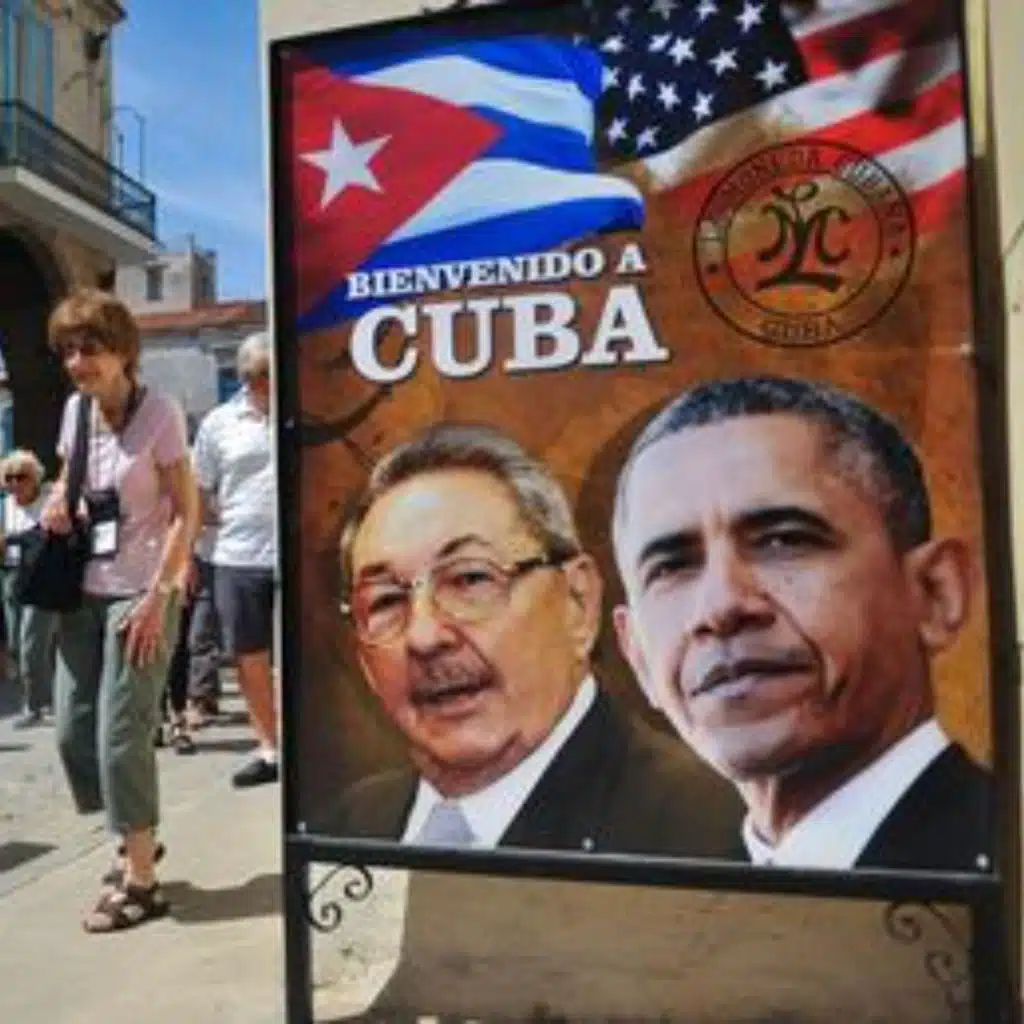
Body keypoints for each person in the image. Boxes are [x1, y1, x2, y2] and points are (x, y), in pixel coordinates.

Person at [611, 375, 991, 873]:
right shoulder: (663, 897)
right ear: (638, 657)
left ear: (935, 593)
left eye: (783, 541)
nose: (720, 608)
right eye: (672, 567)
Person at [329, 423, 741, 855]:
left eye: (470, 579)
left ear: (578, 602)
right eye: (385, 601)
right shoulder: (351, 824)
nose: (424, 636)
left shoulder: (713, 830)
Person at [44, 288, 199, 932]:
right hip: (83, 590)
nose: (78, 362)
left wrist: (160, 596)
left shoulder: (159, 412)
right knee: (72, 733)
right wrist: (58, 500)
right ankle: (137, 834)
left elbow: (188, 510)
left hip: (142, 594)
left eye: (91, 348)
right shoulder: (75, 411)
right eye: (68, 351)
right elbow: (67, 478)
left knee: (121, 736)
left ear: (122, 351)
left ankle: (141, 880)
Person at [192, 332, 278, 787]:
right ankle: (269, 747)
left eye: (266, 373)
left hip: (298, 552)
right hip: (238, 554)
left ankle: (310, 746)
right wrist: (195, 548)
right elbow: (198, 489)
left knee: (311, 655)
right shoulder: (218, 423)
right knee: (249, 655)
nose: (258, 382)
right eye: (251, 375)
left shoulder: (305, 410)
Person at [0, 450, 58, 729]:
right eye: (9, 477)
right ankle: (43, 698)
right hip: (12, 580)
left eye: (21, 477)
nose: (14, 483)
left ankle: (37, 705)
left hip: (41, 581)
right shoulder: (4, 508)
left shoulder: (47, 503)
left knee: (31, 644)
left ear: (35, 478)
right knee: (15, 643)